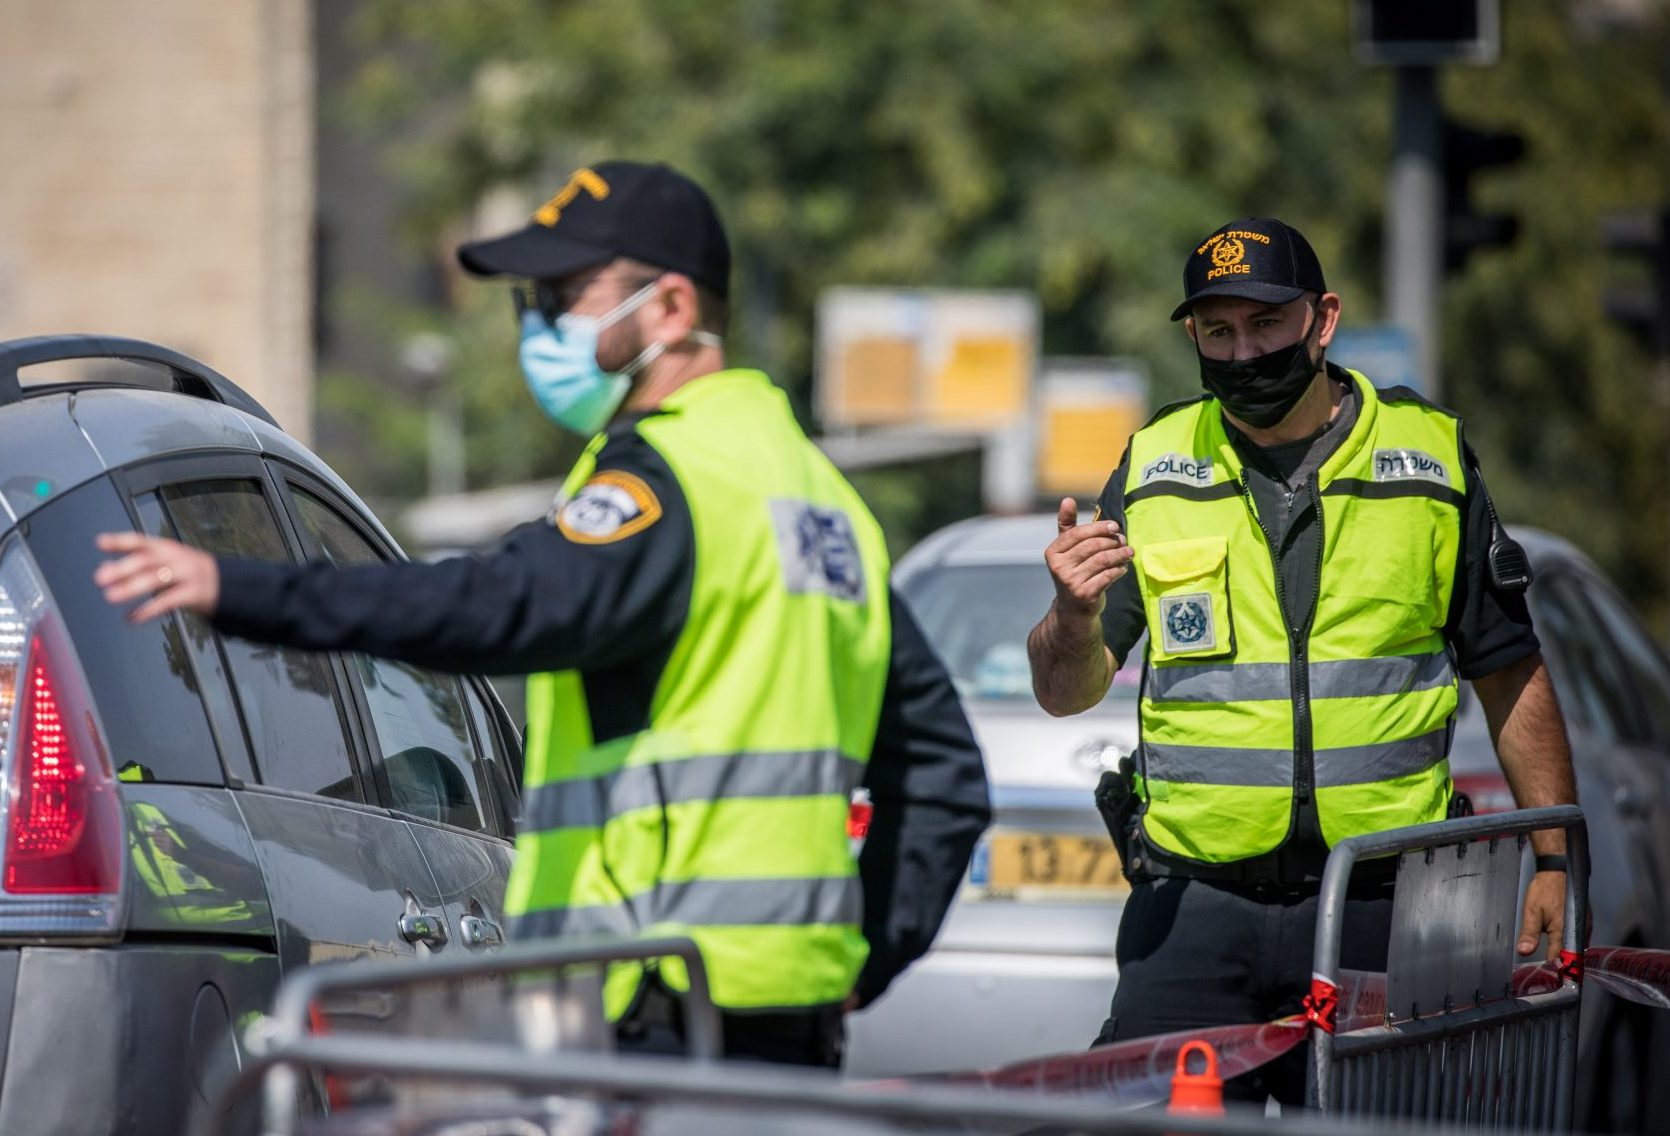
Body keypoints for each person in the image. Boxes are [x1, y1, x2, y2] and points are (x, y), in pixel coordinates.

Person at [93, 161, 990, 1067]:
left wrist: (241, 587)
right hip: (787, 1016)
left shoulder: (670, 484)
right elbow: (944, 773)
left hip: (654, 998)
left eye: (564, 297)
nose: (538, 324)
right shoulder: (822, 500)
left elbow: (497, 605)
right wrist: (864, 958)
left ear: (673, 309)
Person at [1025, 217, 1578, 1105]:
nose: (1243, 352)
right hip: (1195, 912)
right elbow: (1064, 692)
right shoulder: (1155, 467)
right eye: (1217, 332)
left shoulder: (1427, 464)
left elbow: (1510, 671)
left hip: (1386, 907)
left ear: (1322, 320)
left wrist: (1554, 861)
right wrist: (1072, 615)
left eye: (1266, 324)